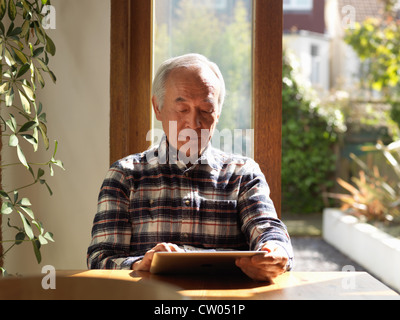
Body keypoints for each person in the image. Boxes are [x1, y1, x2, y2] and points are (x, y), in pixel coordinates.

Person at [87, 53, 294, 281]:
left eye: (205, 110)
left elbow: (269, 231)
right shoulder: (125, 175)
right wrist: (139, 263)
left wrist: (275, 253)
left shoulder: (243, 174)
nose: (194, 123)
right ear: (158, 107)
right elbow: (100, 257)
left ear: (218, 112)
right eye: (182, 109)